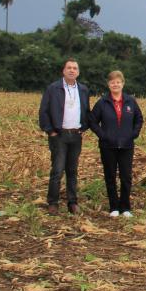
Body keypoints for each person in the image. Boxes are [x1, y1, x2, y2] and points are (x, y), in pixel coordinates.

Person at [38, 58, 90, 215]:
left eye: (75, 68)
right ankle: (53, 203)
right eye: (69, 68)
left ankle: (72, 202)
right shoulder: (53, 88)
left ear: (78, 72)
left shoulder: (83, 89)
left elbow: (87, 111)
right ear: (63, 70)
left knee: (72, 170)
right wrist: (50, 131)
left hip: (76, 135)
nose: (72, 70)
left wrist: (84, 127)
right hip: (59, 135)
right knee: (58, 169)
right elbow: (44, 111)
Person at [89, 71, 144, 218]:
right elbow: (92, 121)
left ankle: (125, 207)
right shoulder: (102, 102)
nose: (115, 84)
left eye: (118, 82)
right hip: (108, 146)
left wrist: (134, 134)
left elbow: (139, 119)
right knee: (110, 176)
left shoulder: (130, 101)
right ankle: (114, 206)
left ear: (123, 83)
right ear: (108, 84)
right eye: (112, 82)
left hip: (126, 146)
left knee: (126, 177)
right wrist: (103, 135)